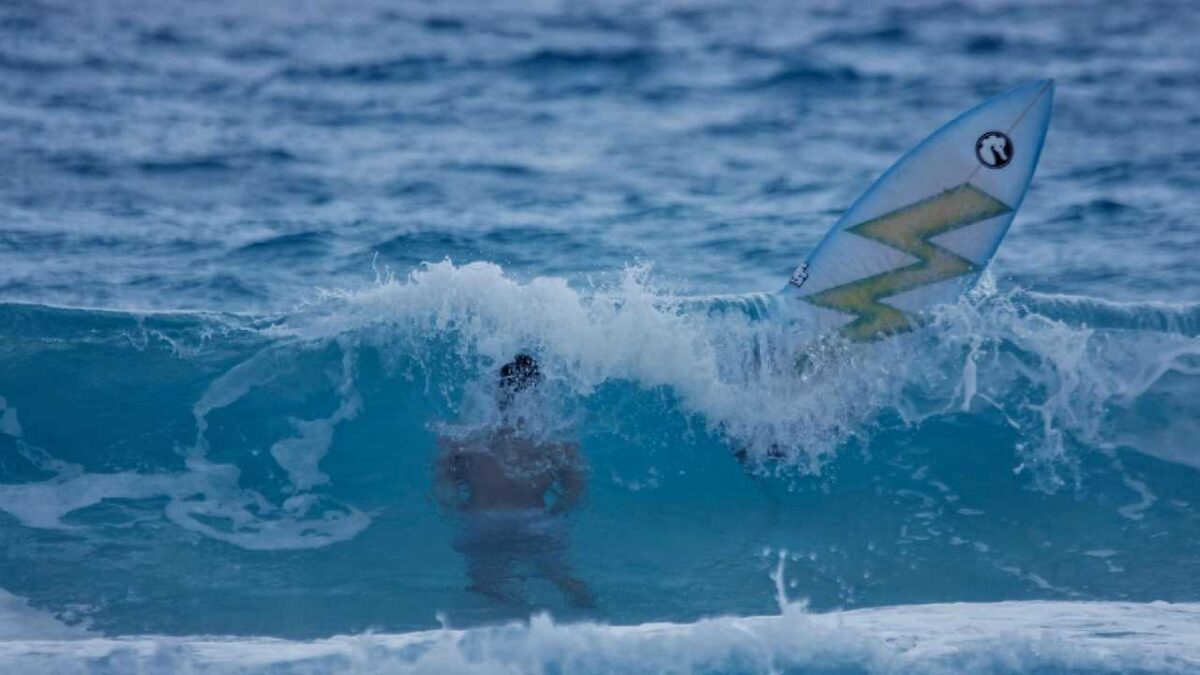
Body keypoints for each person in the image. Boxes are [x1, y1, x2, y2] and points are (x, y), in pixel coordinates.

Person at [433, 354, 594, 607]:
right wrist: (553, 512)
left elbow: (443, 488)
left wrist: (459, 507)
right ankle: (593, 619)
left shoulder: (464, 438)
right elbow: (574, 493)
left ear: (496, 393)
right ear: (538, 396)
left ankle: (516, 617)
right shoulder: (557, 443)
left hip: (483, 521)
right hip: (537, 522)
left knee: (487, 583)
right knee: (563, 578)